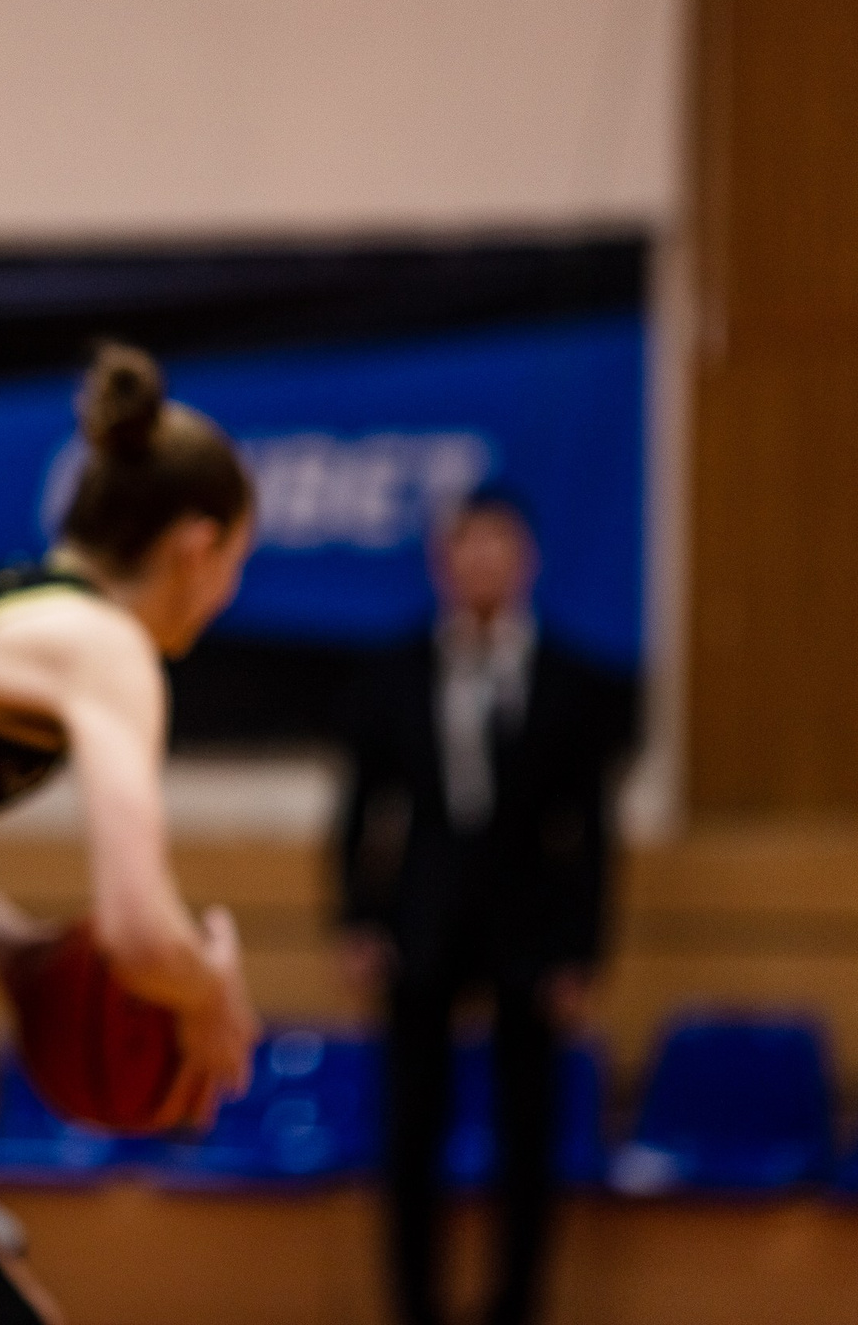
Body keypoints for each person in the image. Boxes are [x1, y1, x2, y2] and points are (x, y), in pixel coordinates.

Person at [0, 344, 263, 1321]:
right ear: (197, 548)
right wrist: (210, 988)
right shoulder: (106, 645)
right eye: (238, 563)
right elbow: (141, 932)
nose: (229, 592)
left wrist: (8, 946)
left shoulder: (12, 602)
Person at [336, 490, 633, 1325]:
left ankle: (515, 1304)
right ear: (443, 562)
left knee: (529, 1134)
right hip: (421, 927)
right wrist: (357, 920)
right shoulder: (396, 671)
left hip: (531, 932)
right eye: (466, 548)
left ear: (525, 561)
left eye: (497, 548)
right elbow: (361, 810)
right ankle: (416, 1305)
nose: (481, 564)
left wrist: (582, 950)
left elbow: (593, 832)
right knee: (411, 1132)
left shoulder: (572, 681)